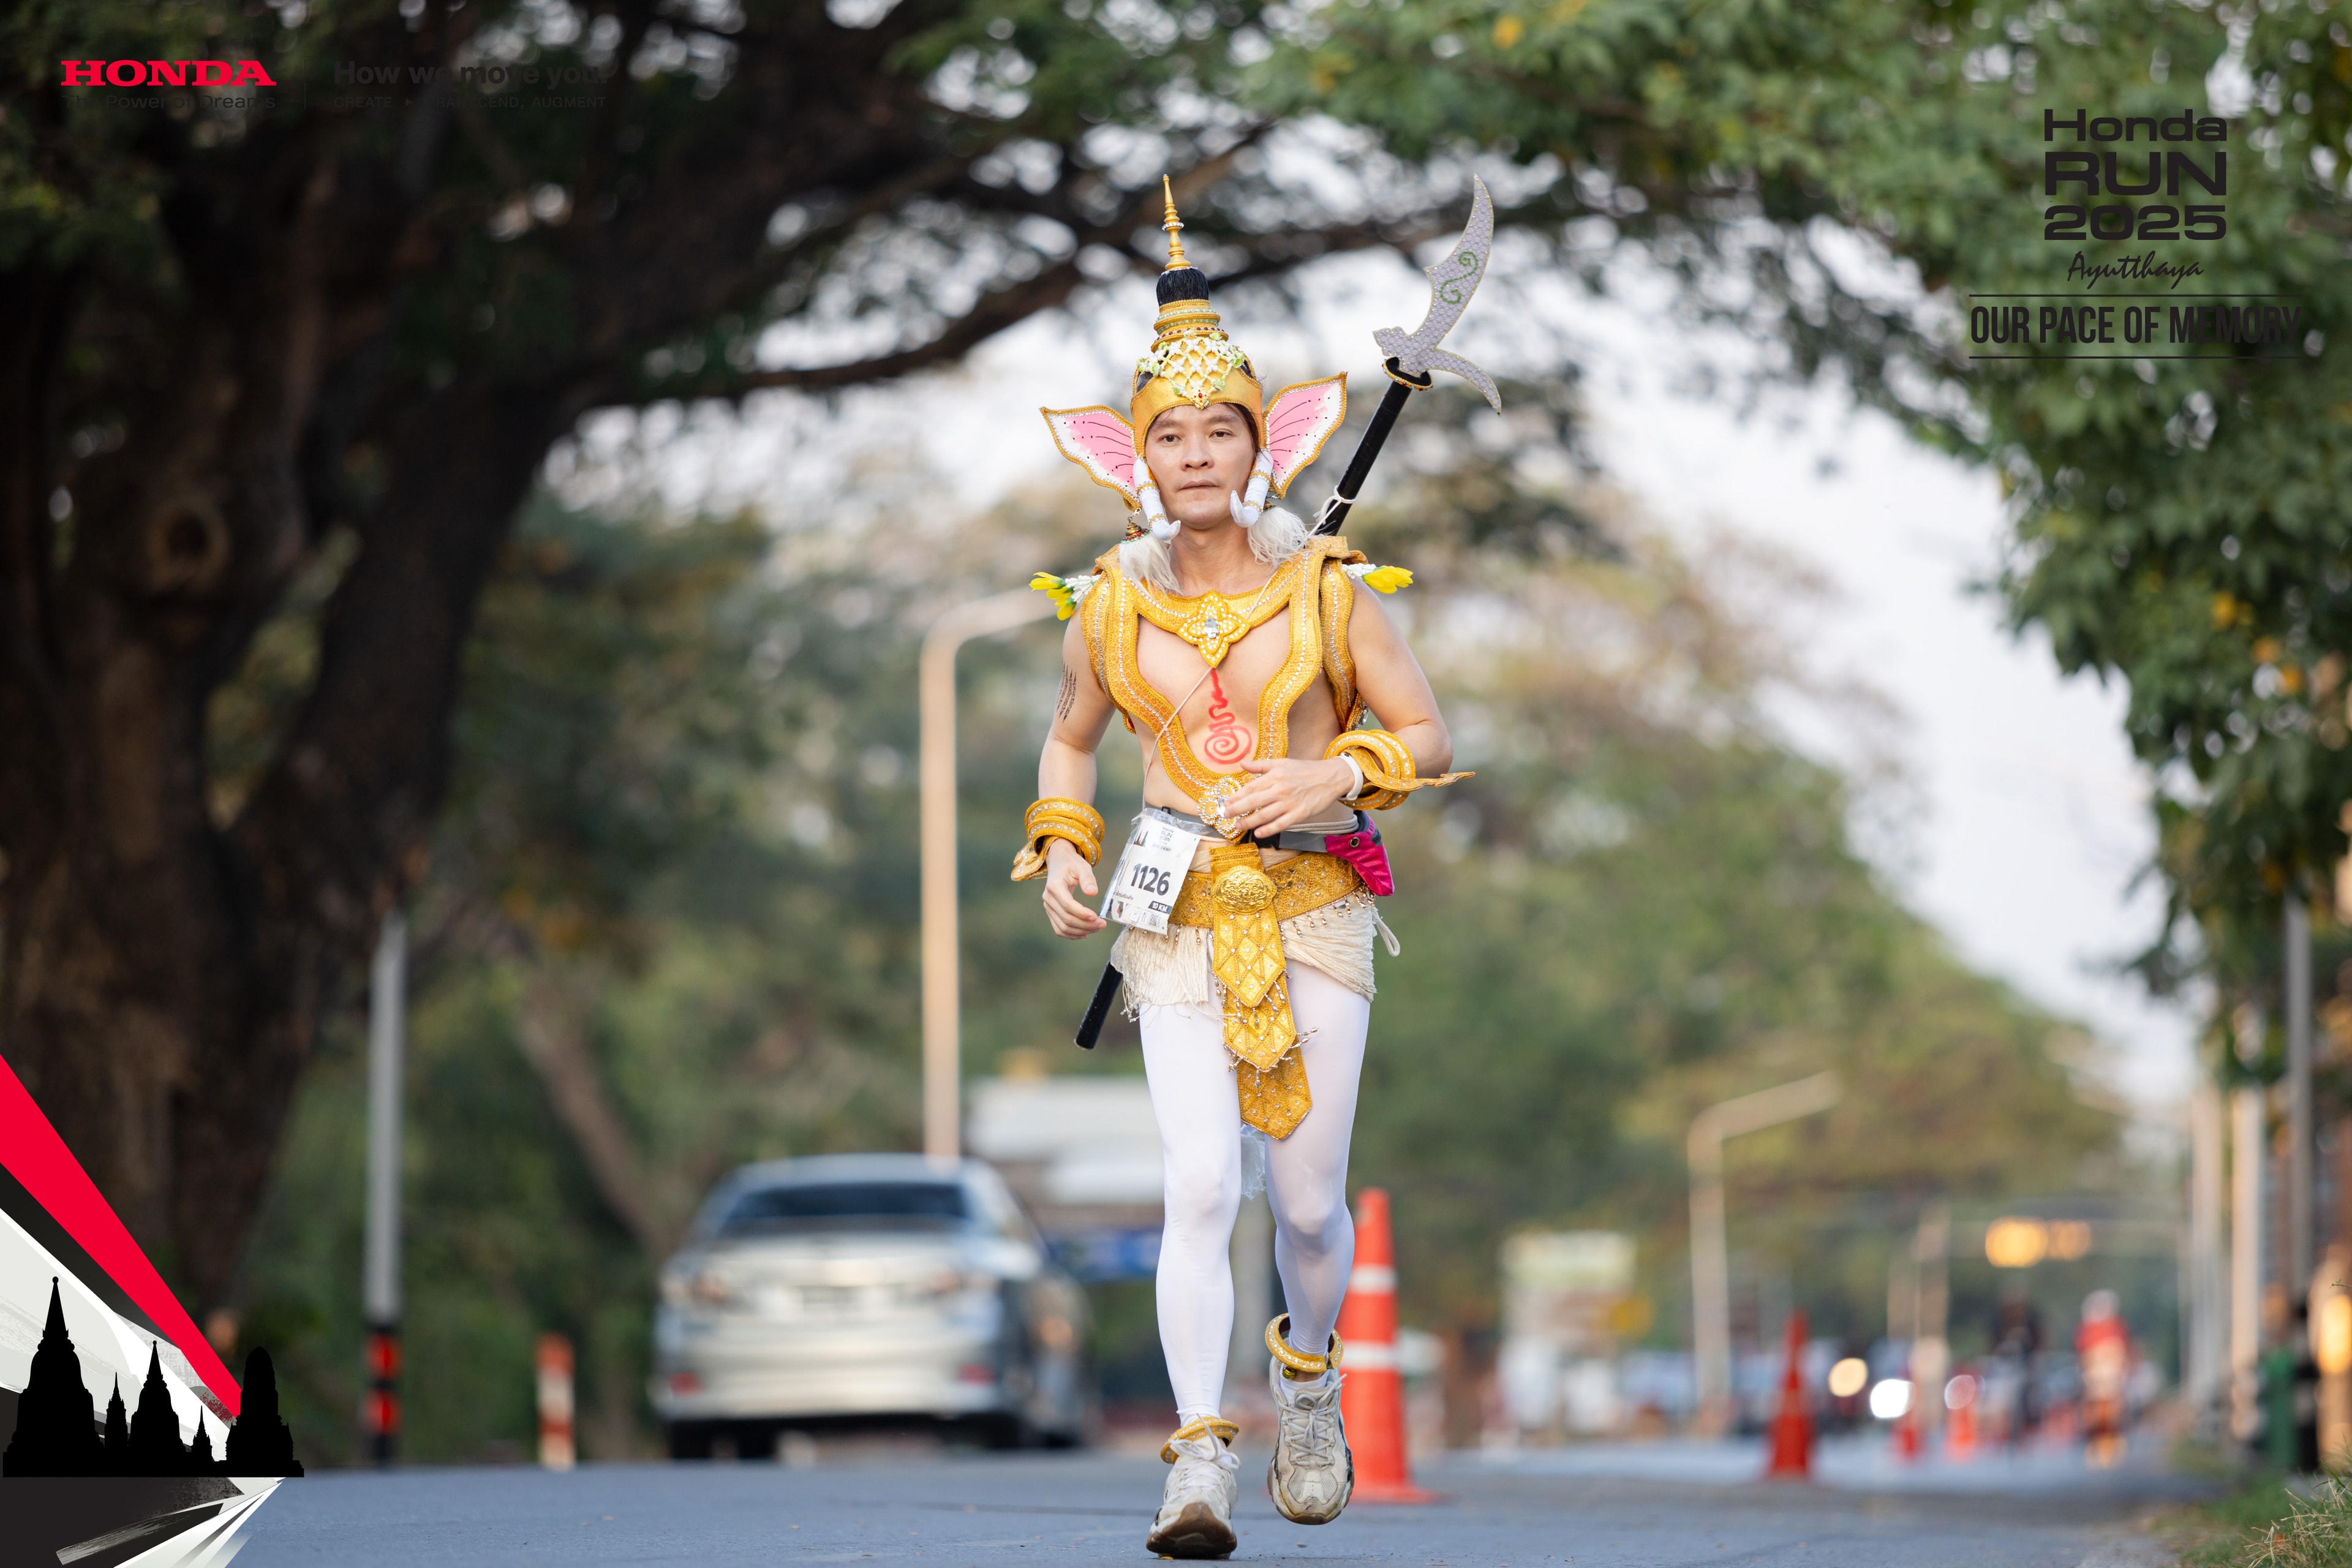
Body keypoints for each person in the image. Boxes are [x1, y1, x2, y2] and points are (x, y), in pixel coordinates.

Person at [1015, 182, 1466, 1559]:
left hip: (1317, 905)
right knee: (1203, 1184)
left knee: (1310, 1201)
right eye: (1172, 434)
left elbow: (1430, 737)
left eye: (1221, 429)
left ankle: (1309, 1378)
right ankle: (1198, 1458)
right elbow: (1070, 738)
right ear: (1131, 457)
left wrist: (1333, 775)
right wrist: (1062, 839)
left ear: (1266, 441)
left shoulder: (1327, 587)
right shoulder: (1110, 603)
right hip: (1174, 914)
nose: (1197, 453)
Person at [2075, 1288, 2132, 1468]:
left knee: (2114, 1410)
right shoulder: (2087, 1329)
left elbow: (2123, 1350)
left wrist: (2121, 1368)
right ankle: (2093, 1443)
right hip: (2094, 1375)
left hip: (2112, 1374)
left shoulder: (2117, 1328)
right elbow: (2083, 1353)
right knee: (2094, 1411)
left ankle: (2113, 1442)